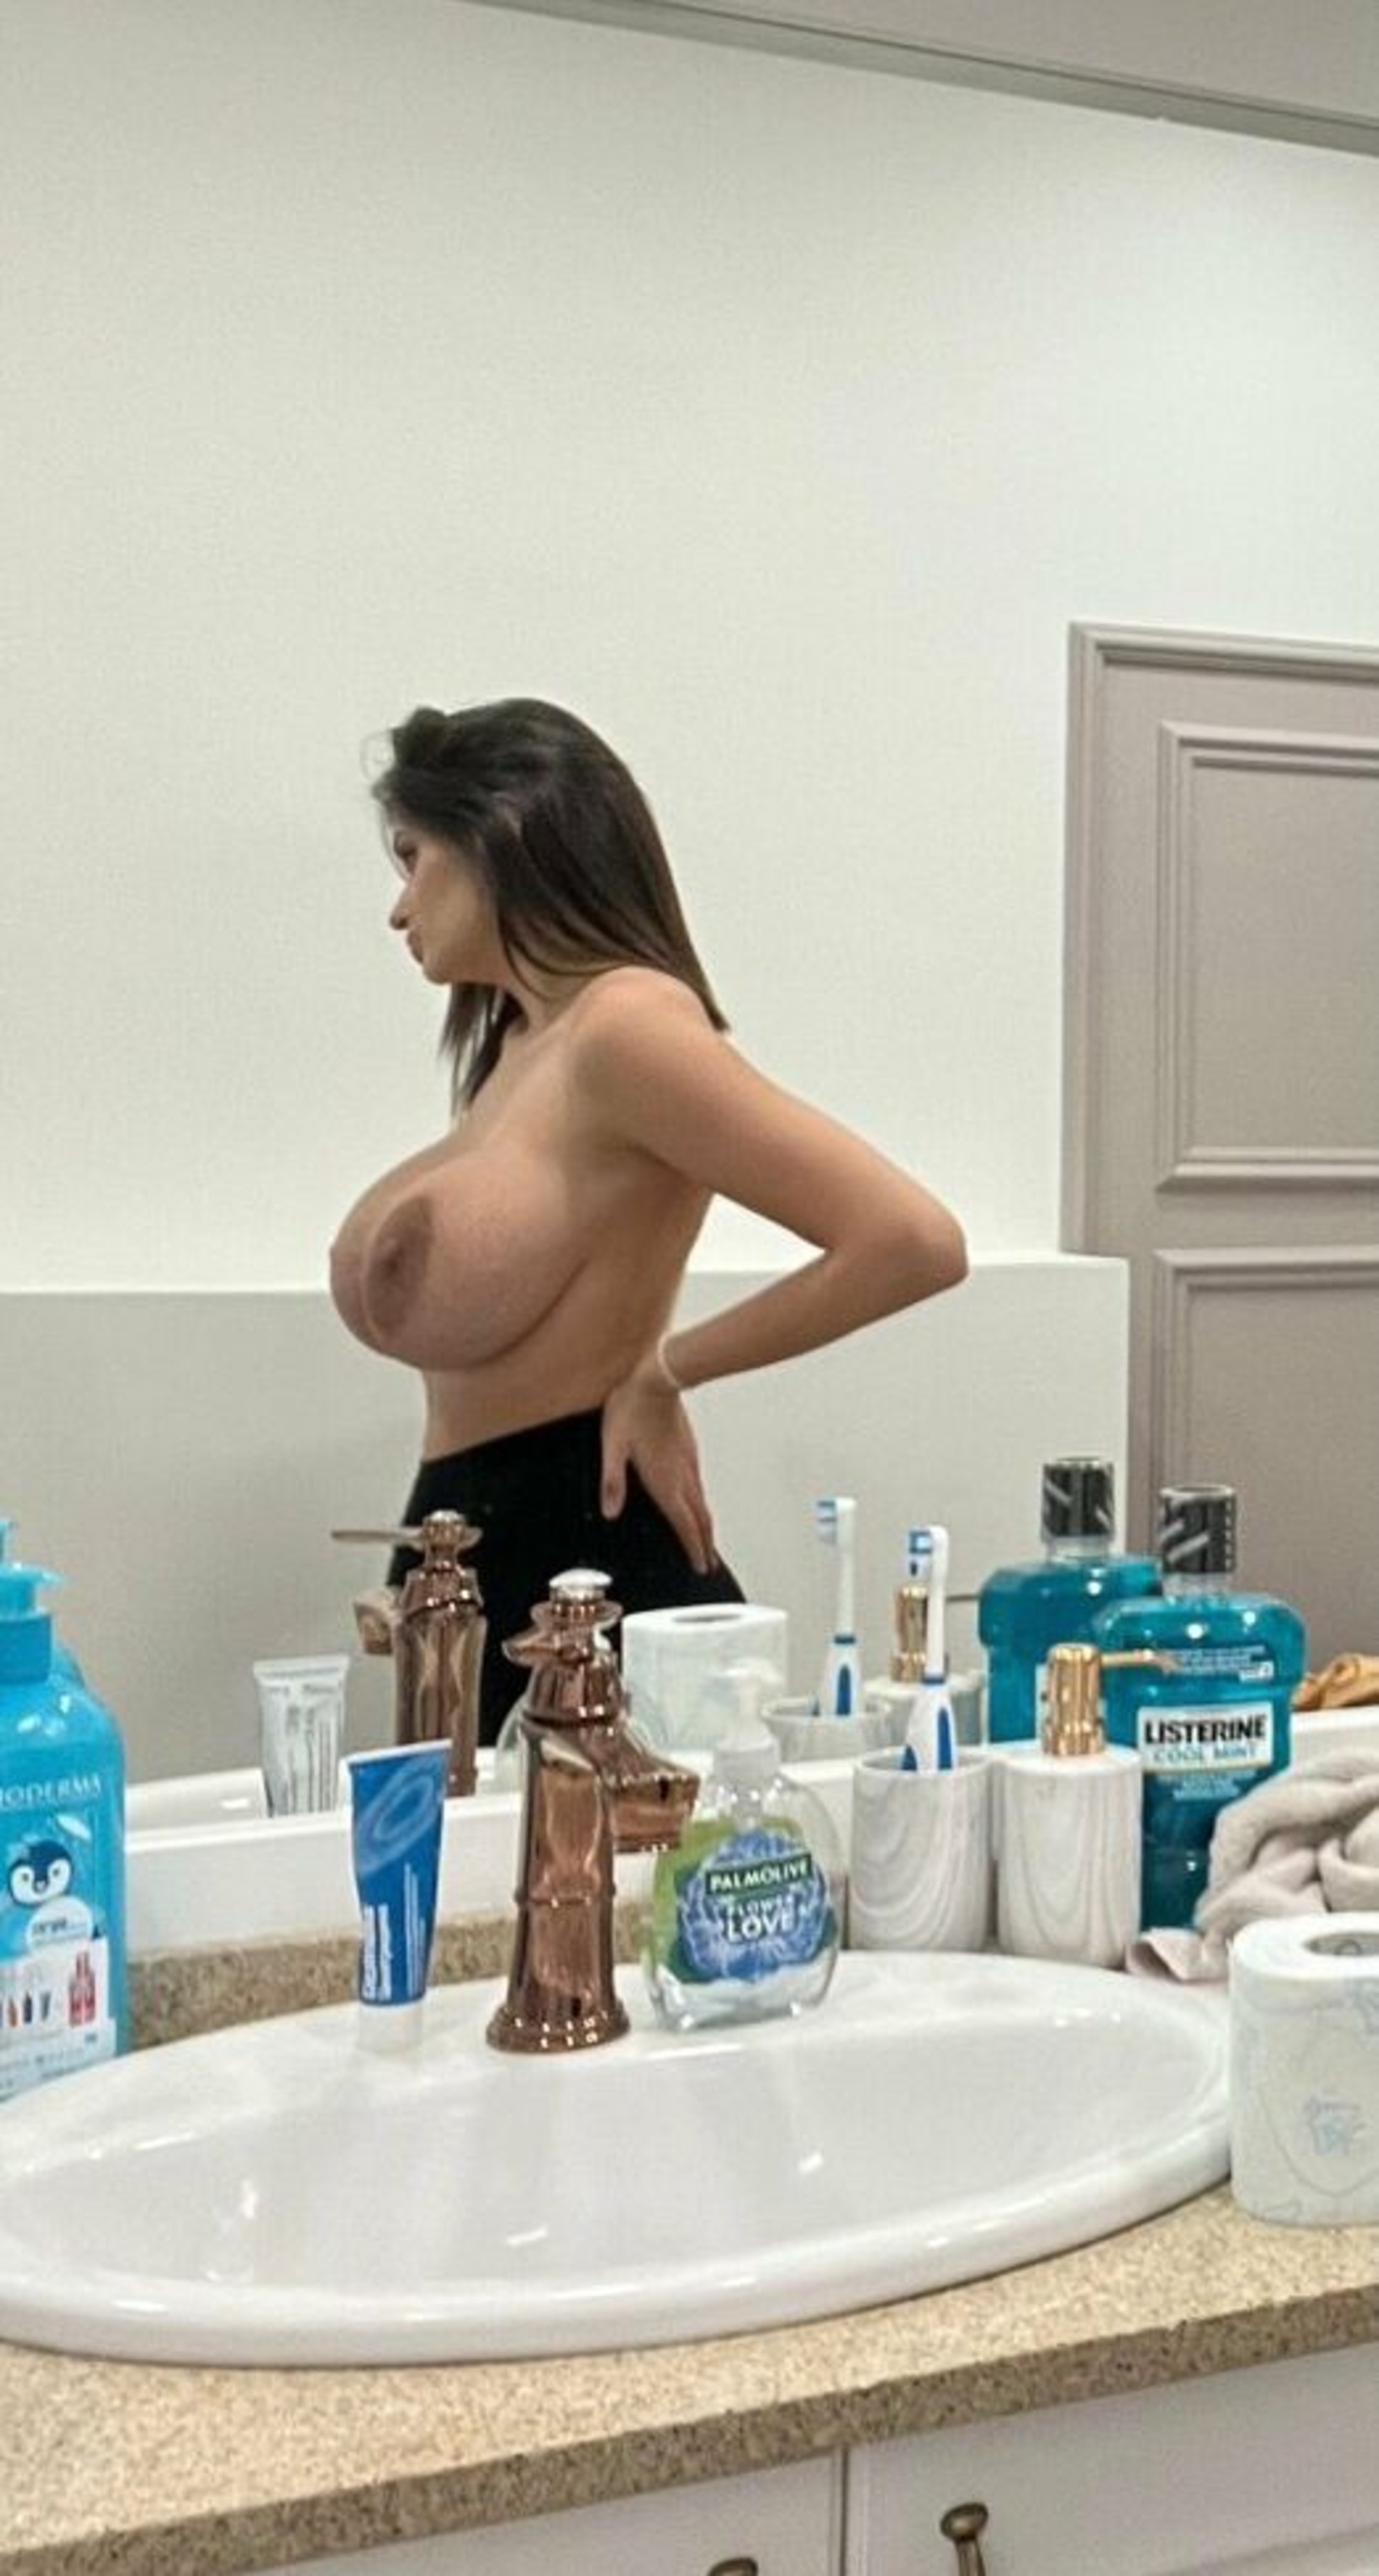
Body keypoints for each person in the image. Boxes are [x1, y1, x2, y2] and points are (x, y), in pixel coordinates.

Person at [330, 698, 968, 1741]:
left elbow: (912, 1241)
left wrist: (667, 1371)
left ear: (500, 829)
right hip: (485, 1541)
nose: (400, 910)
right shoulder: (519, 1045)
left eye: (414, 859)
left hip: (589, 1557)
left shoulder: (627, 1028)